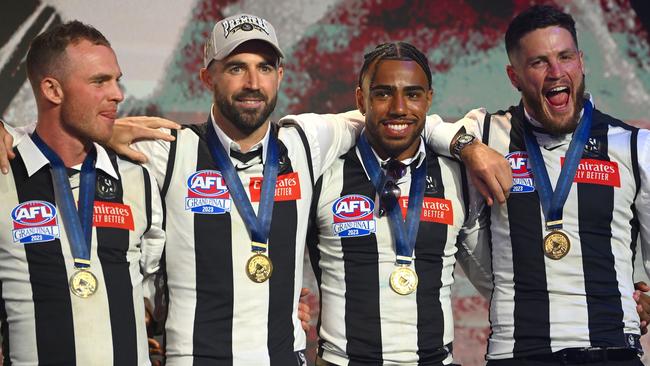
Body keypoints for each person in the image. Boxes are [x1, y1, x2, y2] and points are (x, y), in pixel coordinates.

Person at [0, 14, 512, 365]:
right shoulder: (167, 151)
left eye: (265, 68)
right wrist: (11, 132)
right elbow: (59, 137)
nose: (253, 82)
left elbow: (392, 115)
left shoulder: (306, 142)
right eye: (236, 67)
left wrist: (465, 143)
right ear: (207, 75)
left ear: (280, 76)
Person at [459, 5, 650, 365]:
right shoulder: (486, 133)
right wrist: (468, 149)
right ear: (514, 76)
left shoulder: (633, 146)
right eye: (539, 62)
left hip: (611, 351)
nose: (556, 72)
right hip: (517, 353)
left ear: (581, 61)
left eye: (565, 57)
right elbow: (419, 126)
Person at [307, 42, 490, 365]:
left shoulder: (457, 175)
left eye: (413, 94)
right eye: (382, 94)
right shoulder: (323, 171)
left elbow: (493, 278)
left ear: (429, 99)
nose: (399, 108)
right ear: (361, 100)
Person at [0, 20, 165, 365]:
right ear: (53, 90)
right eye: (99, 81)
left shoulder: (137, 177)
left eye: (116, 80)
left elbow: (156, 286)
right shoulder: (4, 177)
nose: (118, 94)